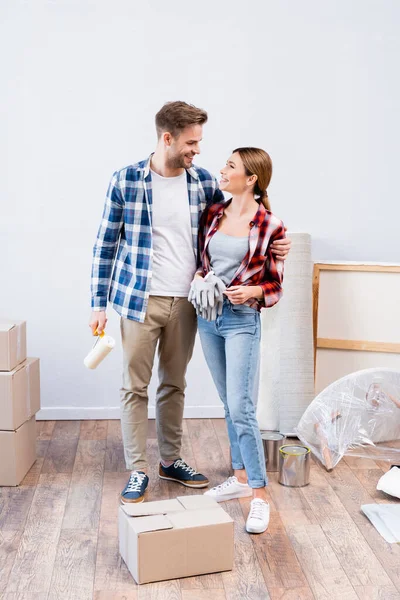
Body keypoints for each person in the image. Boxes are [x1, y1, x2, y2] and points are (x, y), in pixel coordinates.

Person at [89, 102, 292, 504]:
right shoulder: (126, 180)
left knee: (174, 384)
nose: (197, 151)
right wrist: (98, 303)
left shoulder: (201, 182)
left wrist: (277, 241)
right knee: (135, 386)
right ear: (168, 138)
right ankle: (137, 469)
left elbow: (243, 212)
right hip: (138, 300)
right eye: (191, 142)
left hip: (190, 304)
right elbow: (105, 244)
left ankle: (170, 460)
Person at [194, 147, 284, 534]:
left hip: (242, 321)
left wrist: (252, 294)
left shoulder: (270, 224)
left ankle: (260, 496)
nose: (222, 170)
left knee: (242, 407)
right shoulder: (213, 214)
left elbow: (276, 286)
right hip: (208, 317)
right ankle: (240, 477)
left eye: (230, 166)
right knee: (228, 405)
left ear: (251, 179)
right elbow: (203, 261)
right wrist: (200, 281)